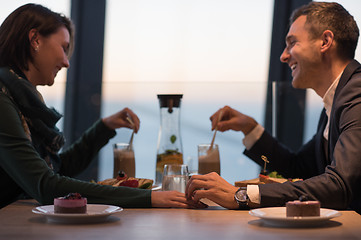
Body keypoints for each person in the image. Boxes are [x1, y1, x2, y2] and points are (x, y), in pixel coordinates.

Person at [0, 3, 198, 209]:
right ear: (35, 39)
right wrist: (147, 198)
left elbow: (57, 169)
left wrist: (105, 127)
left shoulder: (22, 100)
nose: (67, 62)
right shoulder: (4, 101)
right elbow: (46, 186)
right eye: (64, 48)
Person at [186, 1, 361, 214]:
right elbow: (297, 167)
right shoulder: (336, 101)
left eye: (292, 43)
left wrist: (242, 195)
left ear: (325, 41)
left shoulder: (356, 94)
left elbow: (340, 186)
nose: (284, 56)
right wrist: (249, 128)